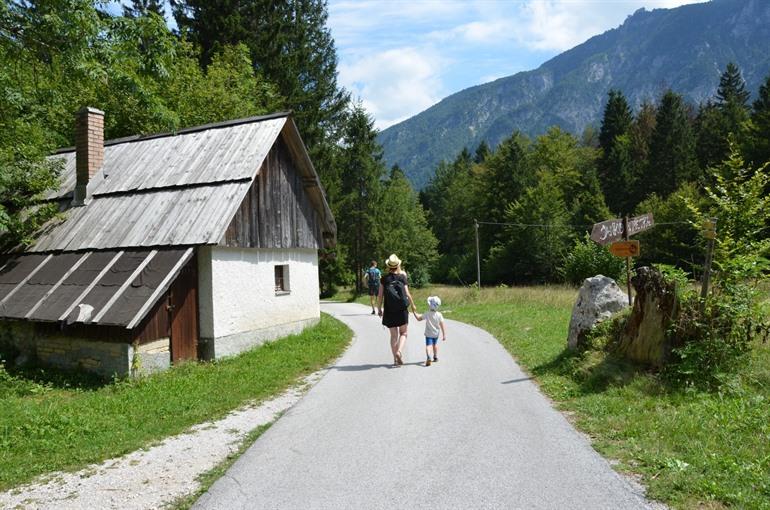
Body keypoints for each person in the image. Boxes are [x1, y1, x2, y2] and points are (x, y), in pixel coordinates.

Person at [377, 254, 416, 366]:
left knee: (393, 336)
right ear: (398, 265)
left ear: (388, 266)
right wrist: (412, 305)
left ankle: (395, 359)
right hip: (402, 310)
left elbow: (380, 296)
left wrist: (379, 309)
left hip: (389, 311)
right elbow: (407, 294)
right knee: (404, 333)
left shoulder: (384, 279)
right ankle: (399, 351)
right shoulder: (402, 277)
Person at [413, 295, 447, 366]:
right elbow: (442, 325)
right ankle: (435, 357)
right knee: (435, 345)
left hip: (428, 334)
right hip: (436, 334)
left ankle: (428, 356)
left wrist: (414, 312)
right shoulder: (439, 315)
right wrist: (444, 334)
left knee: (429, 345)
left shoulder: (427, 313)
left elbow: (419, 319)